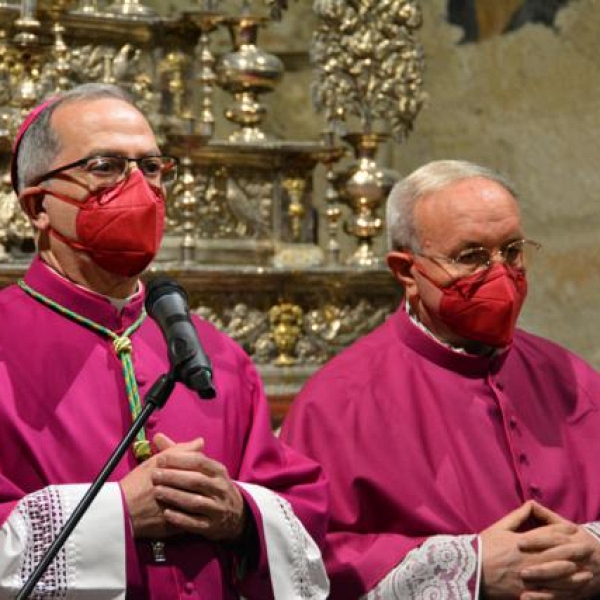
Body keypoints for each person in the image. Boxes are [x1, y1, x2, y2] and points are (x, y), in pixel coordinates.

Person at [0, 82, 329, 599]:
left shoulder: (219, 356)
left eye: (152, 168)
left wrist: (240, 514)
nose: (140, 188)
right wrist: (117, 515)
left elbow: (304, 514)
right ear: (39, 205)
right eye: (106, 167)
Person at [280, 159, 600, 599]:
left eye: (511, 251)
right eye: (471, 256)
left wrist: (594, 550)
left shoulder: (572, 378)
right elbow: (304, 558)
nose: (500, 273)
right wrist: (467, 568)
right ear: (407, 272)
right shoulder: (337, 403)